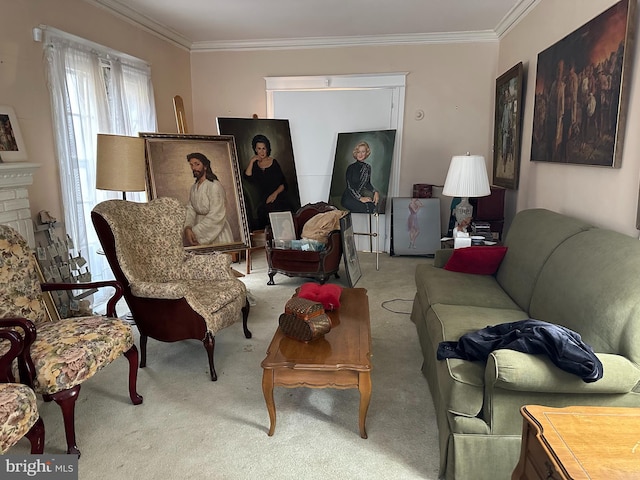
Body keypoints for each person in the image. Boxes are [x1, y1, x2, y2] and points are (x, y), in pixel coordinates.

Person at [183, 152, 234, 246]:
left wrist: (196, 232)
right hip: (198, 226)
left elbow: (217, 214)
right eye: (191, 165)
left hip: (215, 231)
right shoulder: (194, 188)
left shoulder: (214, 186)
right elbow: (190, 209)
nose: (194, 168)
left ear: (205, 166)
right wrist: (188, 228)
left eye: (197, 164)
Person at [243, 134, 293, 230]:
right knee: (263, 211)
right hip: (264, 197)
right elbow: (247, 176)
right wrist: (252, 161)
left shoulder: (274, 162)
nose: (262, 152)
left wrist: (274, 194)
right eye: (259, 149)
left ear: (267, 149)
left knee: (276, 209)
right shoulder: (255, 165)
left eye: (264, 148)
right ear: (255, 149)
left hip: (278, 195)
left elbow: (283, 184)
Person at [341, 141, 379, 213]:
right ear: (356, 153)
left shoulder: (368, 167)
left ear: (366, 153)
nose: (360, 154)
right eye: (358, 152)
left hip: (359, 196)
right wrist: (360, 198)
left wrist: (375, 192)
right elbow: (350, 186)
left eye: (363, 151)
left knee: (372, 206)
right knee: (364, 208)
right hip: (349, 197)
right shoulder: (351, 167)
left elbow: (367, 183)